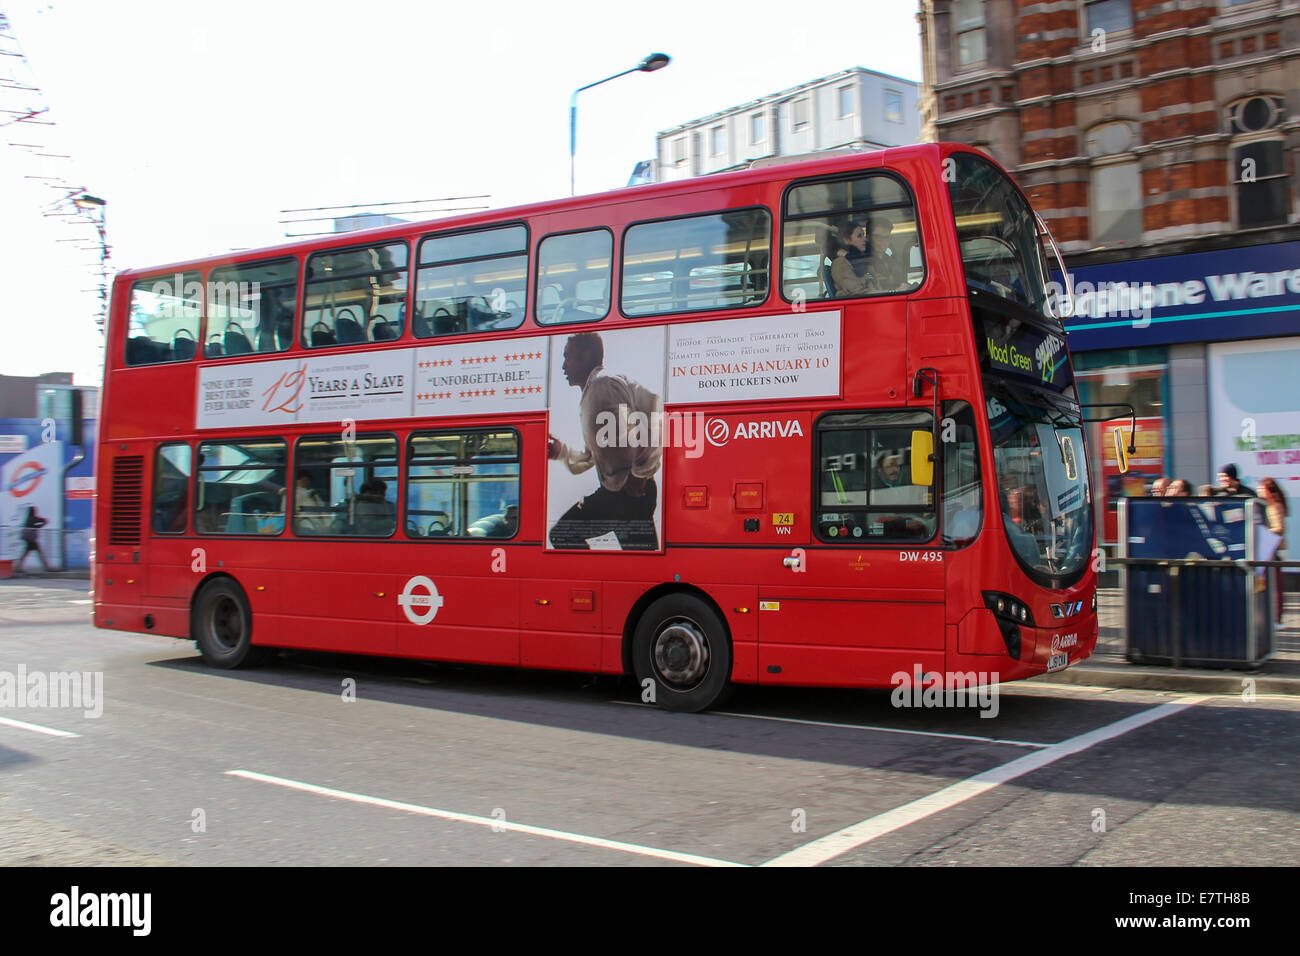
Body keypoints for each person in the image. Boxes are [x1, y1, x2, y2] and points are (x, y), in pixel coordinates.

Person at [548, 332, 662, 550]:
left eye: (567, 357)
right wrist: (562, 452)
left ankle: (590, 581)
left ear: (585, 357)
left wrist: (640, 473)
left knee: (563, 534)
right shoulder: (593, 393)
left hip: (626, 492)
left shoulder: (602, 385)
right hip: (626, 491)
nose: (563, 366)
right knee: (642, 564)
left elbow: (654, 413)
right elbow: (592, 456)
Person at [1259, 477, 1288, 624]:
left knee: (1275, 585)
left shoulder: (1273, 506)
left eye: (1261, 488)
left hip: (1275, 548)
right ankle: (1275, 617)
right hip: (1275, 548)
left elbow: (1280, 528)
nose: (1258, 490)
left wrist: (1263, 532)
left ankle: (1277, 619)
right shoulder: (1271, 505)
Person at [829, 221, 873, 297]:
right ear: (847, 240)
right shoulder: (840, 264)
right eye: (859, 236)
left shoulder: (862, 262)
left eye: (864, 235)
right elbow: (857, 293)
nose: (865, 239)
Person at [866, 217, 908, 292]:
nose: (882, 241)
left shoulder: (892, 262)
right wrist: (895, 291)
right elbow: (867, 292)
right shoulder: (862, 262)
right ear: (868, 238)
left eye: (886, 237)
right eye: (877, 237)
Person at [16, 506, 48, 574]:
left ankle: (17, 567)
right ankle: (46, 567)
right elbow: (44, 521)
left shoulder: (27, 519)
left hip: (28, 539)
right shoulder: (34, 518)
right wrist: (39, 526)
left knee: (25, 553)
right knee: (39, 552)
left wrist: (37, 527)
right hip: (32, 540)